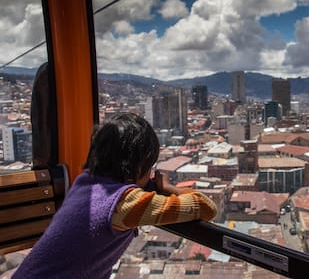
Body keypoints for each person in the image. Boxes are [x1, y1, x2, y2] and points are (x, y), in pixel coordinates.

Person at [13, 113, 217, 279]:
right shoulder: (125, 203)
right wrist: (167, 187)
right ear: (139, 166)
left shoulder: (86, 181)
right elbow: (206, 207)